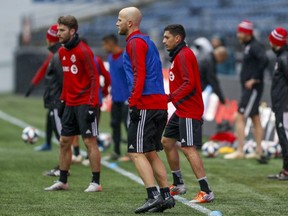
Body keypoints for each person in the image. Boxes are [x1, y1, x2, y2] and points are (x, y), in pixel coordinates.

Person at [117, 7, 175, 213]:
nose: (117, 23)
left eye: (120, 19)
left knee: (135, 151)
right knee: (150, 152)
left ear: (130, 23)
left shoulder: (134, 42)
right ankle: (166, 195)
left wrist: (133, 102)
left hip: (145, 104)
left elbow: (139, 74)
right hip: (158, 104)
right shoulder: (148, 42)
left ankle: (153, 195)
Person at [45, 15, 102, 192]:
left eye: (61, 30)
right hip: (69, 103)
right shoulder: (62, 52)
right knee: (64, 141)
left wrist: (92, 105)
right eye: (58, 30)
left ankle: (96, 183)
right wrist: (62, 100)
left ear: (72, 31)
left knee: (89, 142)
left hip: (85, 103)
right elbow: (68, 81)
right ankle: (63, 180)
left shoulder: (84, 51)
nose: (58, 33)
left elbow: (94, 78)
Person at [162, 24, 214, 203]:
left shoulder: (184, 55)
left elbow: (189, 83)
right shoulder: (178, 55)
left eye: (167, 37)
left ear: (177, 38)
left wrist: (170, 97)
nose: (164, 41)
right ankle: (178, 184)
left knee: (188, 148)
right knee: (167, 142)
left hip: (190, 110)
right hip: (181, 109)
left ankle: (206, 191)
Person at [224, 20, 268, 162]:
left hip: (252, 89)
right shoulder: (249, 46)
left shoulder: (255, 46)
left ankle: (240, 150)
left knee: (239, 116)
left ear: (247, 33)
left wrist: (254, 78)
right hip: (249, 89)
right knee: (255, 119)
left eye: (240, 32)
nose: (238, 35)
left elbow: (265, 60)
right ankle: (258, 151)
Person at [102, 34, 130, 161]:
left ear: (111, 43)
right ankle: (116, 151)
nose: (104, 47)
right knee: (115, 124)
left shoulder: (126, 56)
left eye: (105, 44)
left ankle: (131, 152)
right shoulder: (110, 57)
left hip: (127, 98)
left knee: (128, 125)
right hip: (116, 98)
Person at [267, 27, 288, 180]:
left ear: (276, 43)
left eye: (271, 41)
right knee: (283, 137)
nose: (269, 43)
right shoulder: (281, 57)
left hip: (285, 107)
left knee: (284, 137)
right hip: (281, 106)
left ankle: (287, 171)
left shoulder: (284, 58)